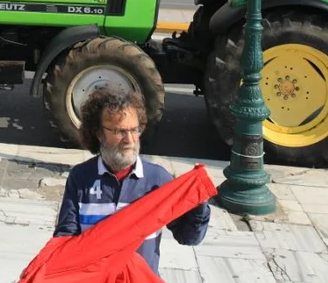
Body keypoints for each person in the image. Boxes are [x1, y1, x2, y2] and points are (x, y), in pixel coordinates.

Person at [53, 87, 210, 275]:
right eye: (119, 131)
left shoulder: (158, 179)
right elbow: (65, 240)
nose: (129, 140)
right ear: (99, 134)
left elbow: (188, 238)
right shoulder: (80, 177)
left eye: (134, 130)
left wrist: (199, 205)